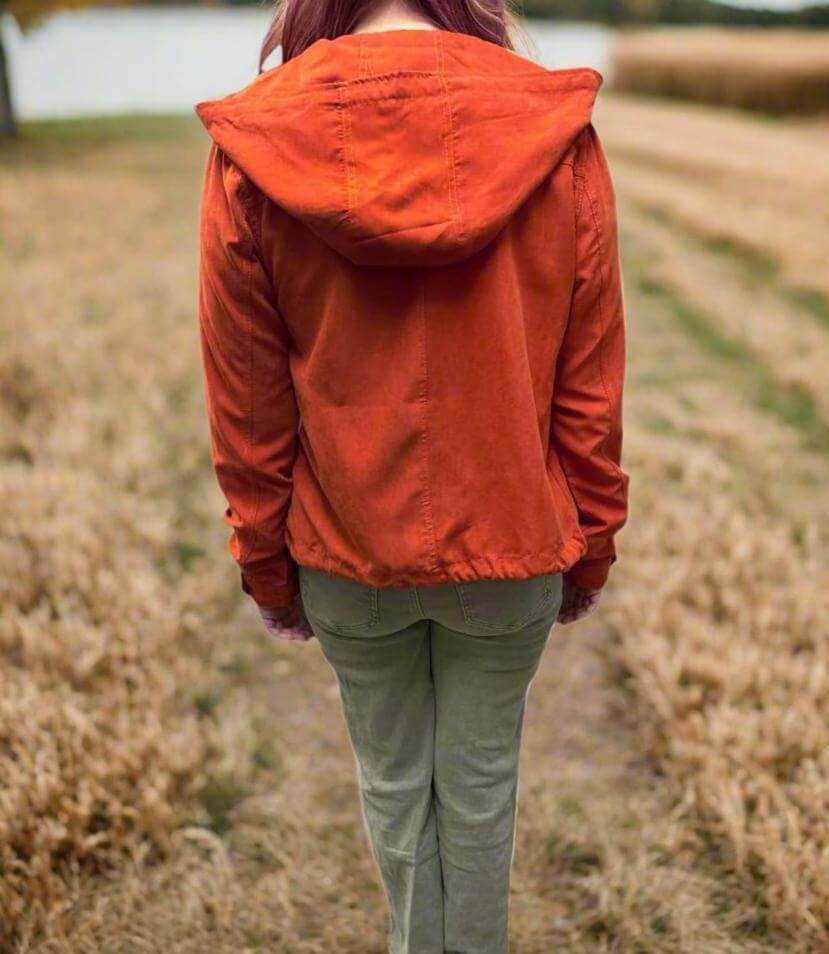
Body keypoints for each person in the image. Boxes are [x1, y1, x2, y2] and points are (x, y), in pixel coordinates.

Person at [194, 0, 628, 947]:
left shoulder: (258, 145)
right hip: (511, 540)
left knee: (396, 795)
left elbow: (247, 407)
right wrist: (588, 543)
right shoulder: (553, 132)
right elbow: (589, 384)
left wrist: (267, 564)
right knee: (480, 801)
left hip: (346, 551)